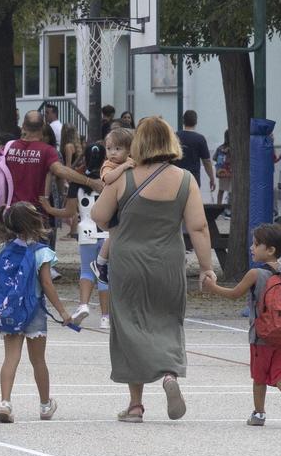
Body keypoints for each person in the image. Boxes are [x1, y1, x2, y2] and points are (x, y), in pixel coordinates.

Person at [91, 116, 216, 423]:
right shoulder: (185, 179)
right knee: (168, 320)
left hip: (128, 262)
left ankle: (135, 405)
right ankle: (170, 375)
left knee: (129, 326)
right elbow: (198, 227)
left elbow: (99, 215)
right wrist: (206, 267)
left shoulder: (123, 177)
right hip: (168, 262)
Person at [0, 203, 72, 423]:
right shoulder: (41, 252)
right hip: (34, 311)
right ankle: (45, 405)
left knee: (10, 357)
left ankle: (5, 402)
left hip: (10, 310)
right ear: (34, 222)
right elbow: (47, 284)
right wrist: (63, 312)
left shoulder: (3, 249)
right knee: (38, 360)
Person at [202, 224, 281, 427]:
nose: (251, 248)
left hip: (262, 335)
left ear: (270, 250)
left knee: (259, 377)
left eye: (256, 244)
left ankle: (259, 414)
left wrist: (212, 287)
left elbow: (234, 294)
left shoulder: (256, 273)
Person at [40, 143, 111, 329]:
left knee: (87, 271)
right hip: (107, 232)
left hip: (86, 230)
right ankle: (106, 316)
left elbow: (69, 212)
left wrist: (49, 209)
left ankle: (83, 304)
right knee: (104, 273)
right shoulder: (110, 180)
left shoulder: (78, 182)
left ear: (85, 158)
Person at [6, 112, 101, 215]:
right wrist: (90, 182)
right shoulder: (46, 150)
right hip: (34, 211)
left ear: (24, 125)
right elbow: (61, 170)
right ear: (43, 126)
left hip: (11, 210)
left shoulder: (9, 147)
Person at [89, 127, 135, 284]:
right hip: (111, 207)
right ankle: (100, 263)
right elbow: (107, 178)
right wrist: (123, 167)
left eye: (118, 149)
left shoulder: (130, 162)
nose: (113, 153)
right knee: (114, 234)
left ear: (129, 150)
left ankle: (102, 263)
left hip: (121, 206)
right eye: (109, 149)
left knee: (115, 235)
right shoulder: (108, 164)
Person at [176, 110, 215, 195]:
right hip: (193, 178)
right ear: (196, 122)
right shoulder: (200, 139)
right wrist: (212, 178)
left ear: (183, 121)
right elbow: (207, 161)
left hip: (177, 177)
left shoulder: (175, 137)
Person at [214, 130, 232, 205]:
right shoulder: (236, 148)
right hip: (232, 172)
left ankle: (219, 205)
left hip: (222, 171)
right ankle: (230, 206)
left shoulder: (220, 148)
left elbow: (215, 158)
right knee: (231, 190)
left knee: (221, 190)